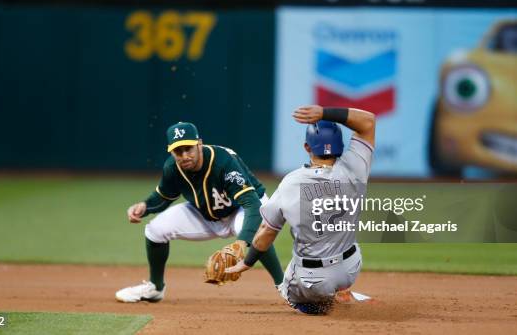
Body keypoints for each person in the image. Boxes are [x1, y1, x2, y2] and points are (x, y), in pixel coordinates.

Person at [226, 105, 375, 314]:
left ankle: (323, 303)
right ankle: (343, 289)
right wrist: (324, 113)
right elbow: (367, 121)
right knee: (344, 247)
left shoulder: (291, 183)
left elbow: (265, 234)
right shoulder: (357, 167)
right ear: (341, 145)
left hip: (314, 279)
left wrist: (247, 263)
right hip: (350, 267)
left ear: (307, 147)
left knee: (290, 290)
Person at [115, 121, 284, 302]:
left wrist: (242, 242)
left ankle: (284, 286)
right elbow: (164, 196)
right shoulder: (172, 167)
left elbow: (252, 205)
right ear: (171, 151)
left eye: (189, 148)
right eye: (178, 151)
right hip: (206, 213)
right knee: (155, 230)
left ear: (200, 144)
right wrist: (145, 206)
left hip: (244, 209)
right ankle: (155, 288)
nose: (185, 155)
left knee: (255, 231)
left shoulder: (223, 161)